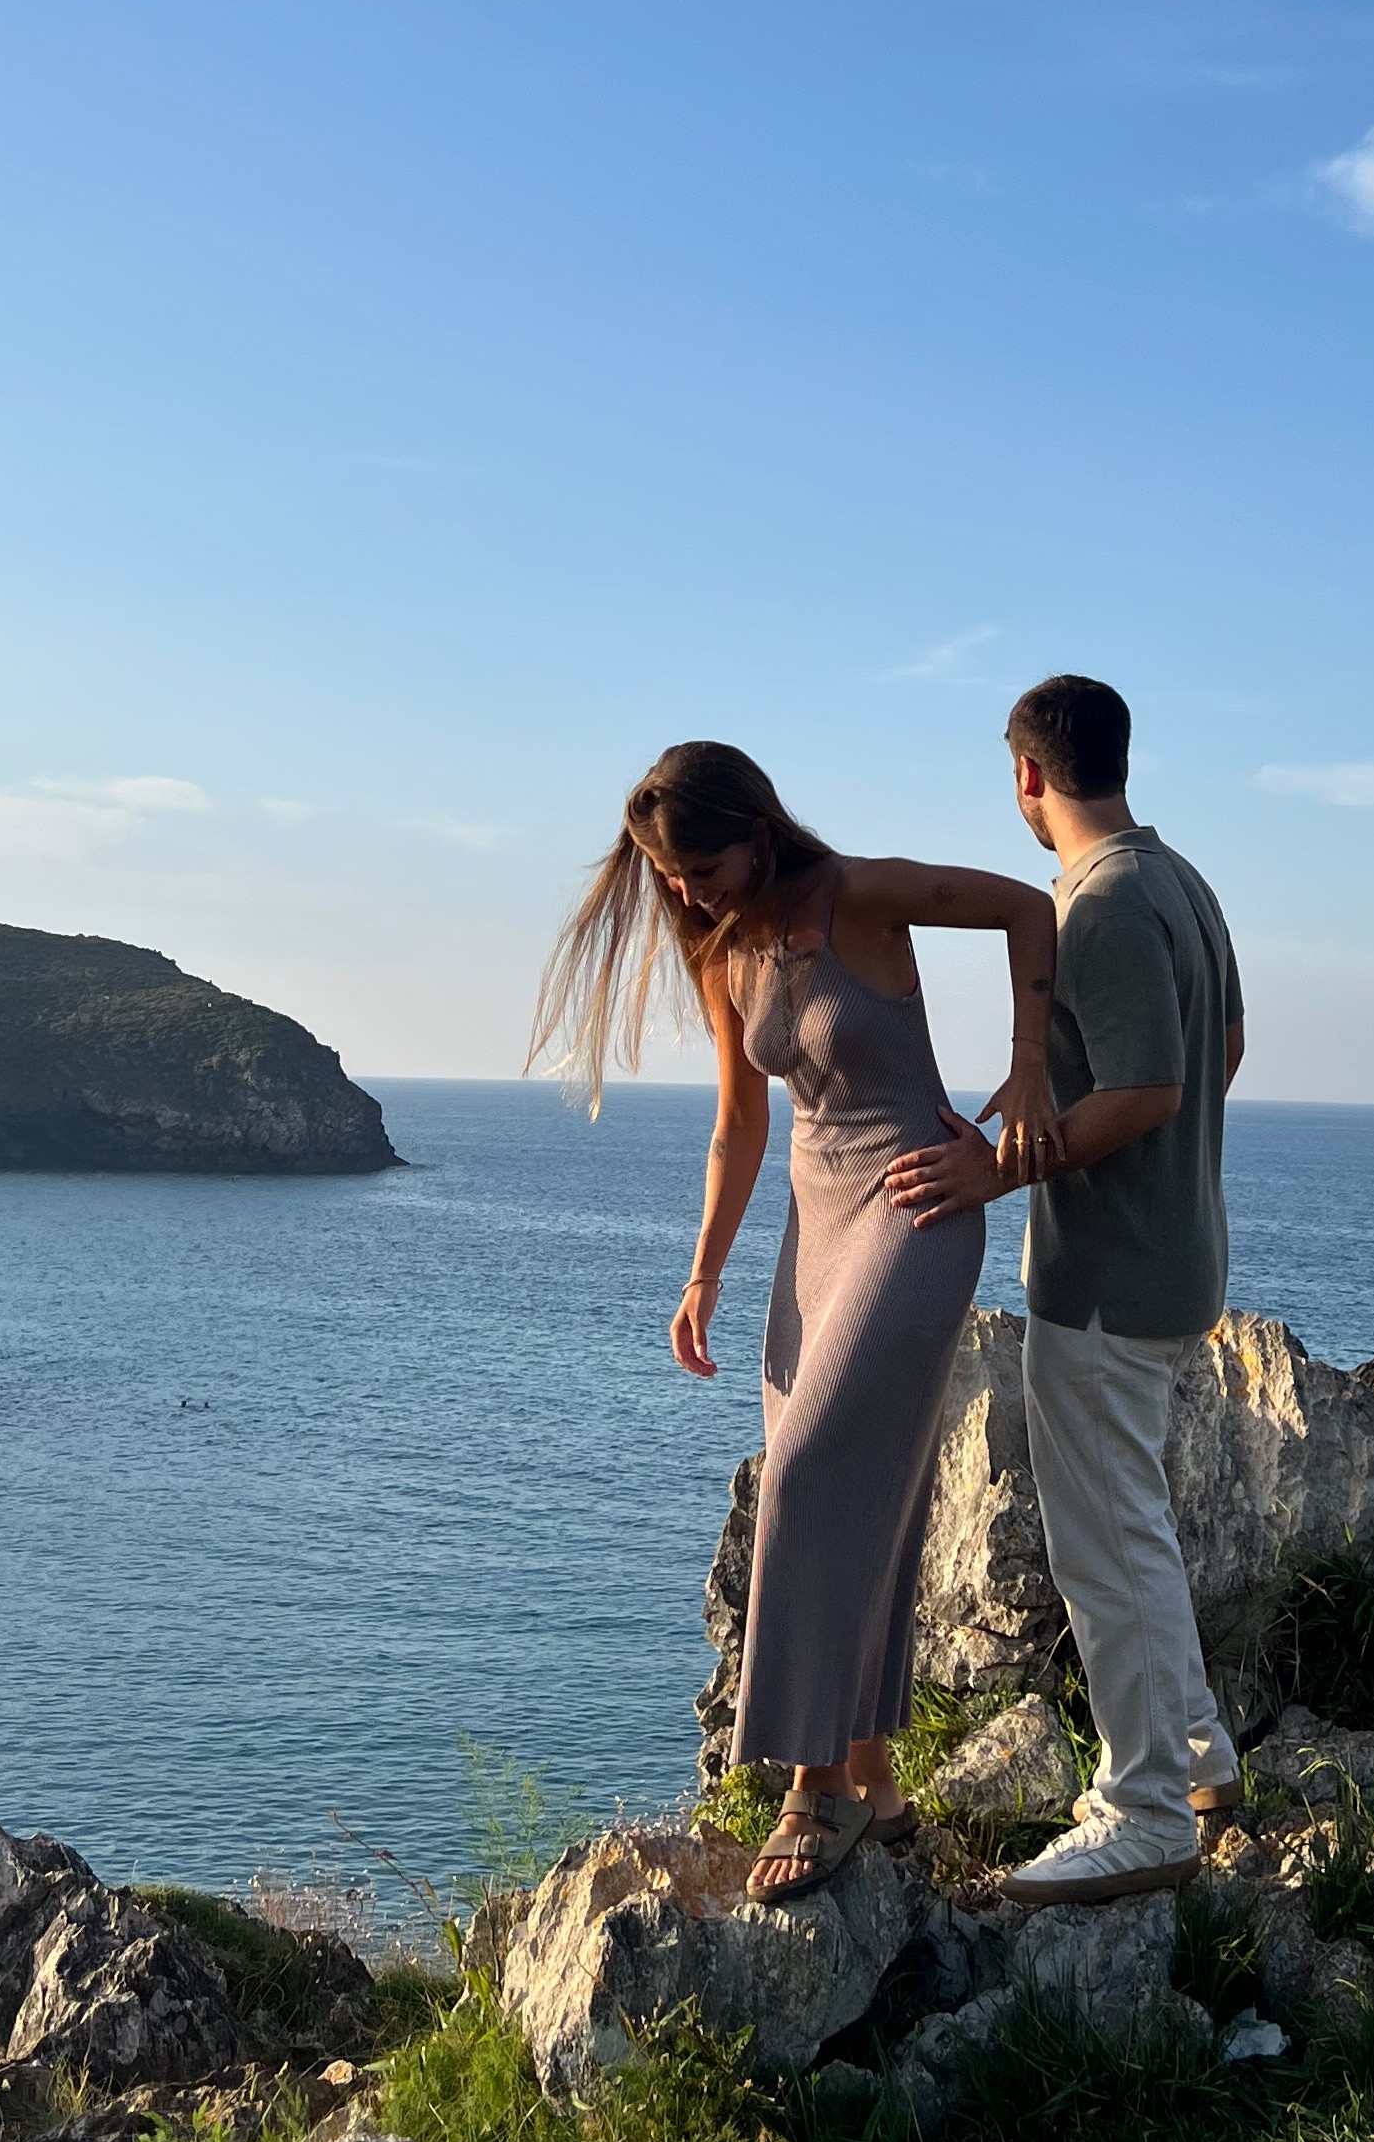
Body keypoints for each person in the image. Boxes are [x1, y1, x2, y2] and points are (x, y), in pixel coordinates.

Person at [530, 739, 1062, 1902]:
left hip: (916, 1211)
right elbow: (739, 1125)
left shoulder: (859, 895)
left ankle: (810, 1789)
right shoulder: (719, 948)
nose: (684, 891)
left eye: (699, 866)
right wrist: (703, 1274)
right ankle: (876, 1787)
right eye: (667, 878)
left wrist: (1027, 1076)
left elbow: (1029, 907)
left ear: (755, 828)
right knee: (867, 1493)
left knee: (809, 1475)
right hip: (813, 1239)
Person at [887, 672, 1243, 1902]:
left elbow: (1146, 1089)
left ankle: (1143, 1807)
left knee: (1105, 1547)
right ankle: (1198, 1756)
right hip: (1175, 1251)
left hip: (1104, 1277)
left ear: (1030, 777)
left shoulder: (1097, 906)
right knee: (1132, 1520)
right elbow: (1220, 1053)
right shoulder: (1180, 882)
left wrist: (989, 1175)